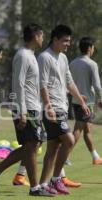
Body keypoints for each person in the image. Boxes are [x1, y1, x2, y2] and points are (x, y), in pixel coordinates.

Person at [0, 24, 54, 197]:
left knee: (34, 144)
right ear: (35, 36)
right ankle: (34, 187)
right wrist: (22, 112)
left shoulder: (31, 55)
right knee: (32, 145)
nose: (43, 39)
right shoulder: (23, 55)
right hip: (25, 108)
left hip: (33, 107)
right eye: (42, 36)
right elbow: (18, 84)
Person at [38, 25, 90, 195]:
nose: (68, 44)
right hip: (52, 108)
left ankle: (43, 185)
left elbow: (69, 81)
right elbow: (42, 85)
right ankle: (56, 179)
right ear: (55, 40)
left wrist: (81, 101)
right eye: (65, 41)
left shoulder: (63, 58)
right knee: (69, 140)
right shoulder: (44, 57)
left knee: (53, 148)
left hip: (62, 106)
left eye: (69, 41)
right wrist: (48, 106)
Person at [70, 37, 102, 165]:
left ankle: (95, 157)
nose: (94, 49)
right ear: (89, 48)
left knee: (87, 129)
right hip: (86, 103)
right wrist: (101, 98)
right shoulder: (92, 64)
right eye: (93, 47)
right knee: (78, 130)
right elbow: (97, 85)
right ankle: (64, 155)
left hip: (75, 100)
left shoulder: (72, 63)